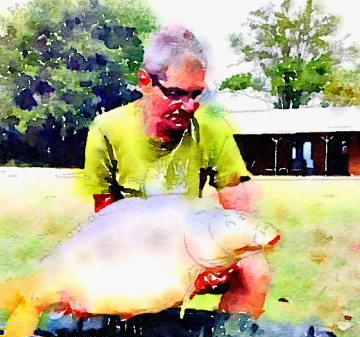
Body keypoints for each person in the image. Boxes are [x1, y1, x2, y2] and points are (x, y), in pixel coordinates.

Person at [79, 25, 272, 319]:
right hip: (134, 244)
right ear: (145, 81)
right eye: (177, 93)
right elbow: (105, 222)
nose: (190, 106)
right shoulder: (107, 129)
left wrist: (217, 263)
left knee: (254, 271)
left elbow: (242, 219)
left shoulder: (213, 131)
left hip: (192, 243)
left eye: (197, 94)